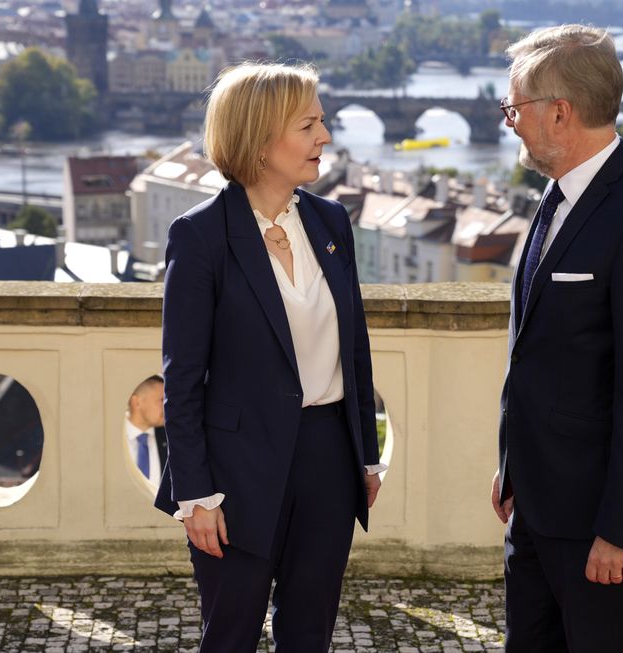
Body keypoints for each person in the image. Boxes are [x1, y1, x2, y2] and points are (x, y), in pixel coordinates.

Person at [154, 62, 384, 652]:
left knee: (309, 634)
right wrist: (195, 495)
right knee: (230, 636)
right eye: (308, 125)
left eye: (322, 123)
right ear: (260, 141)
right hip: (235, 473)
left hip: (329, 461)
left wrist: (366, 458)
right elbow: (182, 381)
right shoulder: (200, 236)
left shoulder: (331, 221)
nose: (324, 138)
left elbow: (353, 349)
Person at [490, 25, 623, 652]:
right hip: (535, 502)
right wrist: (510, 464)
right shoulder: (554, 197)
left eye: (514, 108)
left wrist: (621, 528)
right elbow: (535, 349)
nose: (508, 122)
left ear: (560, 112)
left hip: (597, 521)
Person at [126, 375, 166, 486]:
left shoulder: (171, 439)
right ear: (137, 402)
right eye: (161, 400)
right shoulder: (112, 439)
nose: (166, 406)